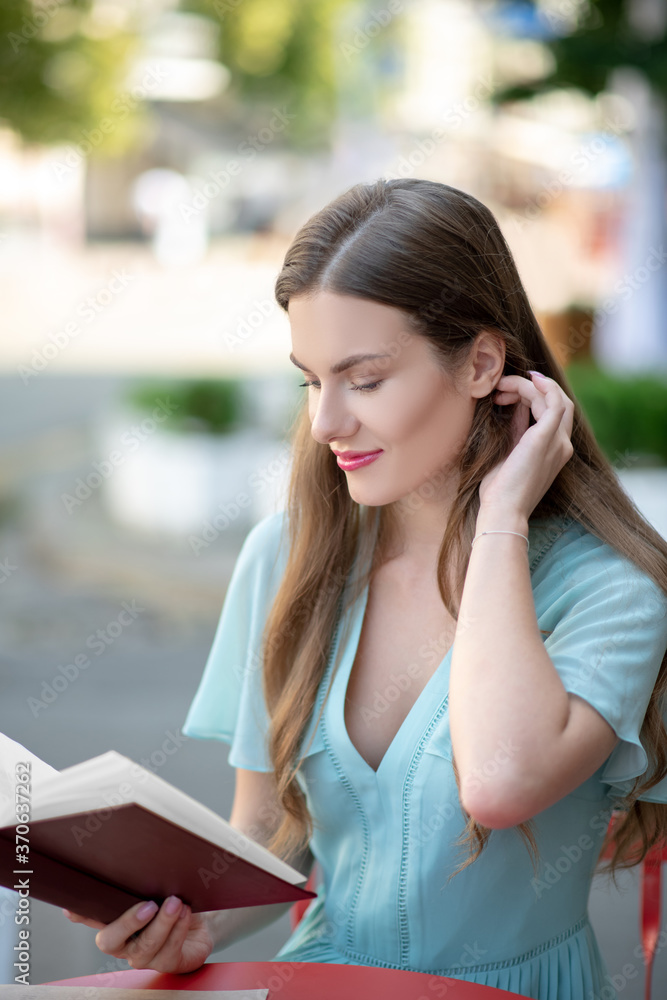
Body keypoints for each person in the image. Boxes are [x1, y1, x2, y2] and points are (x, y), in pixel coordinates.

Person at [64, 178, 667, 999]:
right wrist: (196, 922)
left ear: (482, 364)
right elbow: (271, 829)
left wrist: (499, 522)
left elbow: (499, 780)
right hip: (319, 983)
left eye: (366, 379)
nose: (325, 422)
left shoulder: (611, 588)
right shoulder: (284, 556)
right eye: (312, 380)